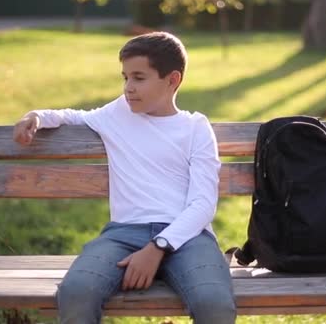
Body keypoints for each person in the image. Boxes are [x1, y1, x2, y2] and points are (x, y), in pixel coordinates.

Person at [12, 32, 236, 324]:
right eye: (125, 77)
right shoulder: (116, 113)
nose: (128, 88)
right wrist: (36, 116)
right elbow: (71, 116)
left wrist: (158, 247)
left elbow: (204, 204)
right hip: (123, 234)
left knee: (214, 305)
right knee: (77, 292)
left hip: (188, 237)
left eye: (139, 78)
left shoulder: (195, 127)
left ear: (172, 80)